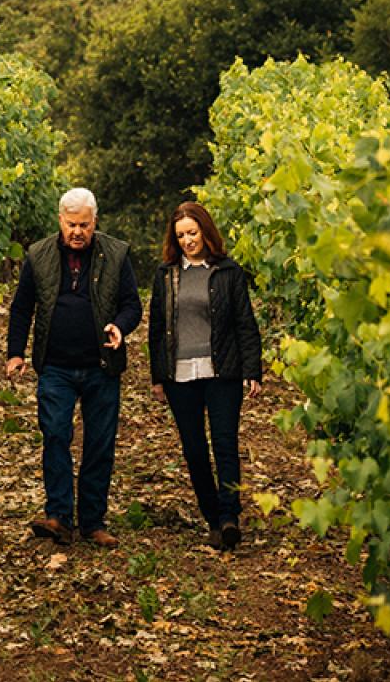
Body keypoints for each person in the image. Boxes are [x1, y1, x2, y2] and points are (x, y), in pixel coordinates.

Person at [6, 188, 142, 549]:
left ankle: (93, 522)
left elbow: (132, 304)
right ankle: (59, 517)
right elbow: (22, 308)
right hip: (56, 366)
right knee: (54, 435)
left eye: (84, 224)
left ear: (94, 222)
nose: (77, 231)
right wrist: (15, 352)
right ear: (60, 221)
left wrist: (120, 326)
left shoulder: (115, 254)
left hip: (101, 366)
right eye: (71, 225)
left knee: (99, 444)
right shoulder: (39, 255)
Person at [147, 202, 263, 552]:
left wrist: (252, 370)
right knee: (195, 450)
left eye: (193, 233)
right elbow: (157, 328)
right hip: (180, 374)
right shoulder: (166, 275)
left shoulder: (228, 272)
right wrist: (157, 376)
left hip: (221, 371)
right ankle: (212, 517)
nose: (187, 241)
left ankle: (229, 517)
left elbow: (245, 323)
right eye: (181, 235)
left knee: (225, 444)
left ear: (206, 231)